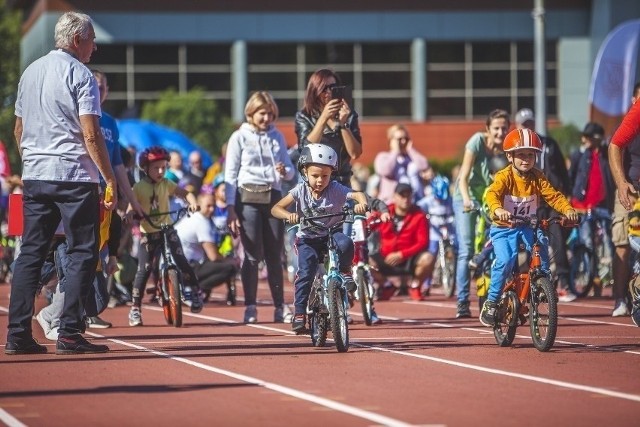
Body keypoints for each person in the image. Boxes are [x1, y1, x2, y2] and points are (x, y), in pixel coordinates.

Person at [6, 12, 117, 356]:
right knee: (84, 251)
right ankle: (69, 331)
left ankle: (17, 334)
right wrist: (109, 177)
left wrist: (32, 161)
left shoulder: (30, 72)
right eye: (91, 40)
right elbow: (90, 132)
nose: (94, 47)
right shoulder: (80, 75)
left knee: (30, 254)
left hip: (37, 174)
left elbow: (18, 131)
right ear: (76, 41)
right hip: (73, 175)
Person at [480, 128, 578, 326]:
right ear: (510, 156)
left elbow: (554, 196)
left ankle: (543, 285)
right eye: (521, 154)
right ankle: (491, 302)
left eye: (530, 155)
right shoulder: (504, 176)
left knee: (541, 243)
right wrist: (498, 210)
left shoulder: (537, 176)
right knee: (506, 260)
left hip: (527, 226)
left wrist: (568, 210)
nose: (526, 159)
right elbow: (492, 194)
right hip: (504, 227)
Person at [271, 144, 369, 332]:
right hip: (308, 238)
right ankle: (299, 312)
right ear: (304, 172)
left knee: (346, 243)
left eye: (325, 176)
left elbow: (358, 194)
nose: (320, 180)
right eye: (315, 175)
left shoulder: (336, 188)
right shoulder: (299, 190)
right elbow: (276, 208)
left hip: (332, 234)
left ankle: (346, 272)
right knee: (305, 273)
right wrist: (288, 216)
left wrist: (361, 205)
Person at [225, 91, 295, 324]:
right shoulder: (239, 137)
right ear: (251, 113)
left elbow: (290, 168)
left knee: (276, 255)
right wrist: (230, 208)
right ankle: (250, 306)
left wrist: (286, 172)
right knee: (252, 255)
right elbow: (231, 174)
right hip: (247, 199)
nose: (266, 118)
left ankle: (280, 306)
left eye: (270, 114)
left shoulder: (277, 137)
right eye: (262, 113)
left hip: (273, 197)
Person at [128, 146, 202, 326]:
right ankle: (135, 309)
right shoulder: (138, 187)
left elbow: (186, 193)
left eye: (164, 167)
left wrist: (192, 203)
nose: (161, 171)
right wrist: (130, 214)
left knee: (181, 260)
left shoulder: (167, 184)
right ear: (145, 168)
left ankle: (194, 291)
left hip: (167, 228)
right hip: (149, 231)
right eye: (156, 168)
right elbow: (131, 205)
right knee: (144, 268)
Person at [452, 109, 510, 318]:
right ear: (488, 129)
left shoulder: (507, 148)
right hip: (466, 199)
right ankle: (462, 302)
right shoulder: (477, 141)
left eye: (504, 128)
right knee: (466, 249)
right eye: (496, 128)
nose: (500, 132)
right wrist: (467, 200)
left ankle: (494, 298)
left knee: (495, 244)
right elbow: (464, 177)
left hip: (490, 201)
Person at [514, 108, 574, 301]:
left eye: (530, 122)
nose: (528, 126)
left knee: (555, 239)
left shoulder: (549, 144)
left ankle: (562, 282)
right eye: (524, 124)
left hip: (553, 199)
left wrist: (569, 199)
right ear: (517, 126)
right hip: (531, 202)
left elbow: (563, 173)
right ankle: (521, 283)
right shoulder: (514, 148)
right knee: (527, 242)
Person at [568, 122, 615, 297]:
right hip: (582, 206)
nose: (584, 139)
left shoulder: (607, 154)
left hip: (603, 206)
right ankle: (591, 278)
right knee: (587, 243)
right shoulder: (580, 155)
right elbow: (571, 177)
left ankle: (614, 280)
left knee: (610, 243)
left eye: (589, 136)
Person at [295, 68, 362, 188]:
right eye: (324, 88)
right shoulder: (304, 116)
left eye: (333, 87)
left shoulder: (348, 114)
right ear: (315, 91)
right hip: (314, 183)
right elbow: (304, 149)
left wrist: (343, 124)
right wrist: (324, 118)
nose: (329, 92)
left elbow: (355, 153)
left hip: (341, 181)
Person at [368, 183, 433, 302]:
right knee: (366, 262)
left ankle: (415, 286)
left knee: (428, 258)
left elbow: (423, 242)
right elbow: (369, 224)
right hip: (386, 256)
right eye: (402, 195)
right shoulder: (385, 211)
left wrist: (402, 254)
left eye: (408, 196)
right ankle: (387, 286)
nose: (405, 199)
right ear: (395, 197)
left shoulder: (419, 216)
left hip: (409, 258)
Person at [609, 82, 640, 323]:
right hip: (632, 189)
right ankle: (621, 297)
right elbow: (615, 145)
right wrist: (621, 184)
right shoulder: (637, 111)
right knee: (624, 244)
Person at [175, 192, 237, 303]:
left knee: (211, 261)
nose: (212, 209)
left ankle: (192, 288)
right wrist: (231, 260)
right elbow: (213, 256)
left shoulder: (189, 218)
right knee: (230, 267)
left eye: (213, 205)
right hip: (187, 268)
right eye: (208, 206)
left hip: (177, 266)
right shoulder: (201, 222)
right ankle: (194, 288)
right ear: (199, 205)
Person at [374, 124, 429, 204]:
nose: (403, 142)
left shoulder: (411, 157)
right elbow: (386, 170)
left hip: (415, 202)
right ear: (391, 140)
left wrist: (411, 150)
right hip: (391, 203)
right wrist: (395, 151)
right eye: (399, 139)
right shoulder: (383, 157)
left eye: (406, 139)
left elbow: (424, 166)